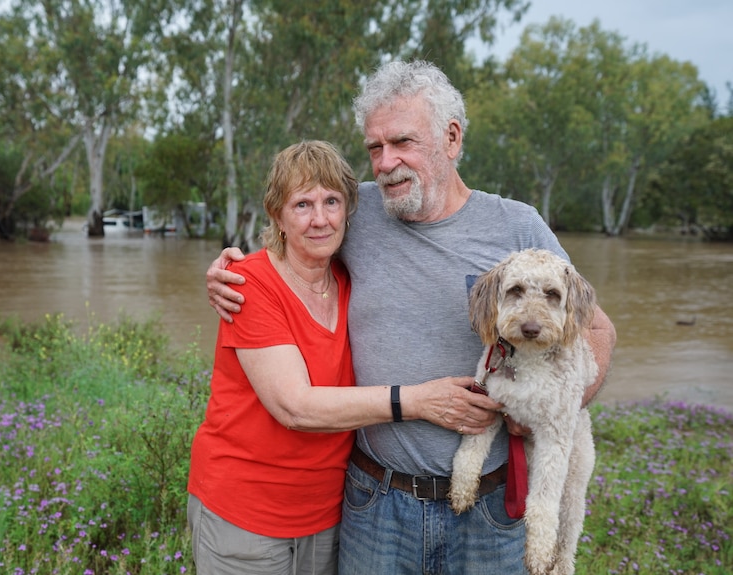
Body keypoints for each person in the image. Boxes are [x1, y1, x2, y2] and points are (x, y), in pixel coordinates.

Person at [206, 61, 617, 575]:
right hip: (376, 502)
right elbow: (297, 243)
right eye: (375, 148)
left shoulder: (516, 225)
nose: (385, 163)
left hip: (488, 511)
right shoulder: (357, 213)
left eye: (402, 142)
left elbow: (597, 327)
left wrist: (559, 406)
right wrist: (232, 268)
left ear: (451, 137)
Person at [187, 140, 501, 575]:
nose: (320, 219)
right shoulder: (247, 283)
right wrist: (416, 401)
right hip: (246, 514)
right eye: (302, 205)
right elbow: (294, 406)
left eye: (332, 201)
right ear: (276, 215)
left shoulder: (347, 279)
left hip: (330, 512)